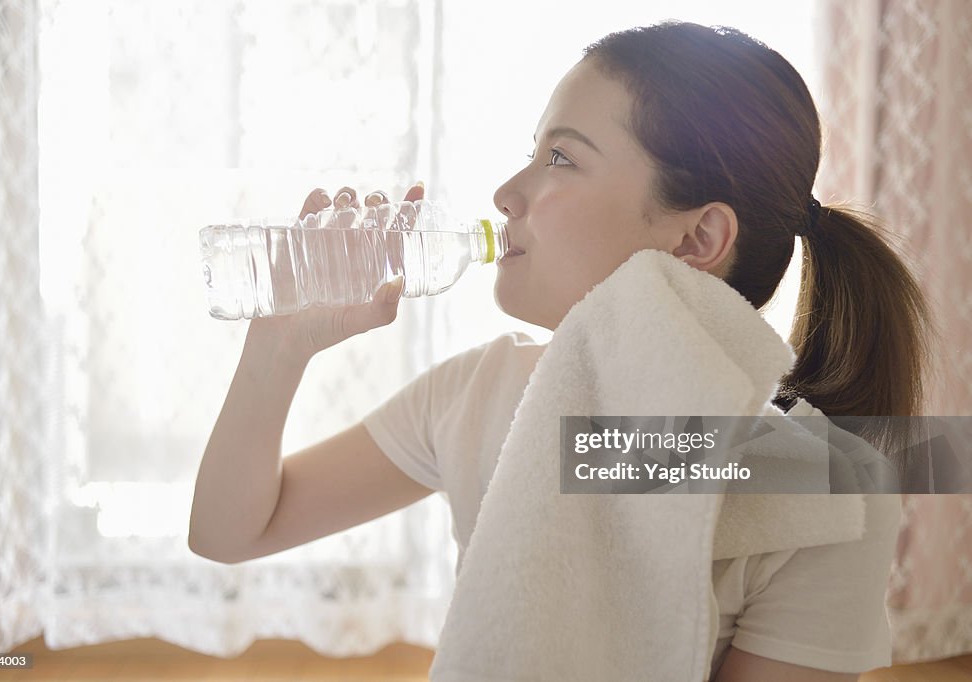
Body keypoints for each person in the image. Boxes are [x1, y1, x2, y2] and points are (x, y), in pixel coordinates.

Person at [189, 21, 934, 681]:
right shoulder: (475, 394)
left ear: (697, 239)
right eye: (532, 153)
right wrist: (277, 348)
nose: (507, 192)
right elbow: (230, 531)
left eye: (562, 159)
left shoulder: (824, 493)